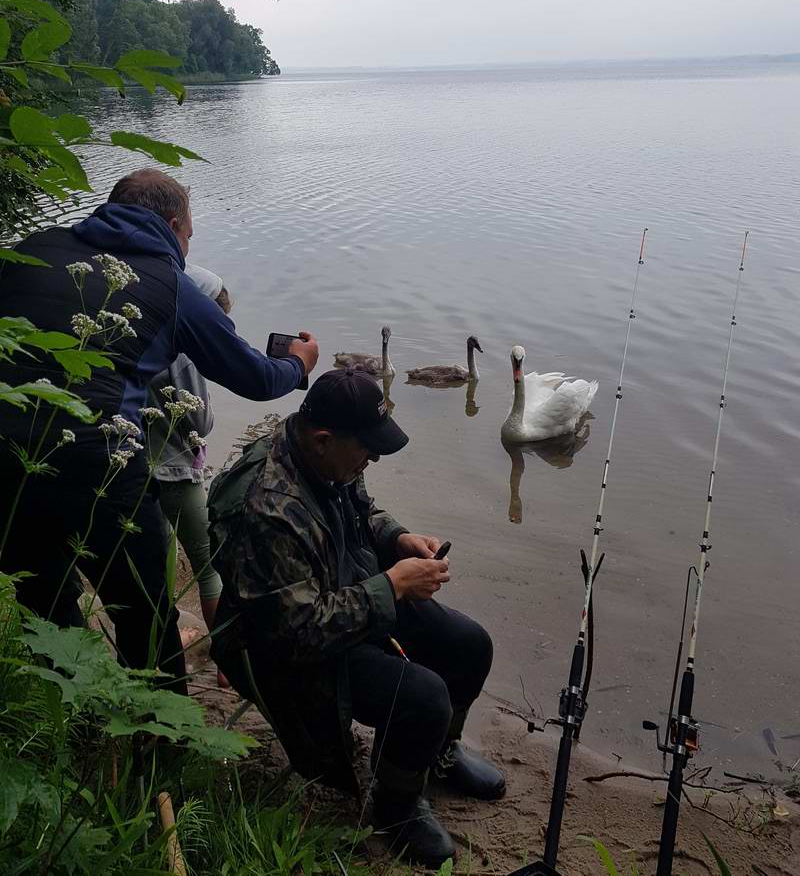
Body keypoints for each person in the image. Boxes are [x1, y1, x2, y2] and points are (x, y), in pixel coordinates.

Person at [0, 168, 319, 692]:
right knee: (144, 609)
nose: (188, 248)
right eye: (189, 236)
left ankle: (65, 711)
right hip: (96, 459)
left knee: (44, 595)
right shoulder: (169, 283)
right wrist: (300, 365)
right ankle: (156, 740)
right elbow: (256, 377)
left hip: (6, 449)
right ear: (173, 225)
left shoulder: (35, 245)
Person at [208, 368, 505, 867]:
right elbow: (297, 632)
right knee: (424, 697)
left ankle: (438, 756)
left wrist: (397, 539)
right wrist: (392, 585)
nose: (374, 458)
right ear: (324, 440)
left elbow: (362, 511)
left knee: (470, 644)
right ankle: (396, 807)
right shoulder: (268, 507)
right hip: (288, 649)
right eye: (368, 450)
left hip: (345, 596)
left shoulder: (327, 454)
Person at [148, 263, 229, 686]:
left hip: (135, 467)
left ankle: (163, 641)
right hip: (175, 472)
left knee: (156, 555)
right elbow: (200, 423)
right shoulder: (182, 357)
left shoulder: (141, 336)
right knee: (209, 566)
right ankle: (226, 665)